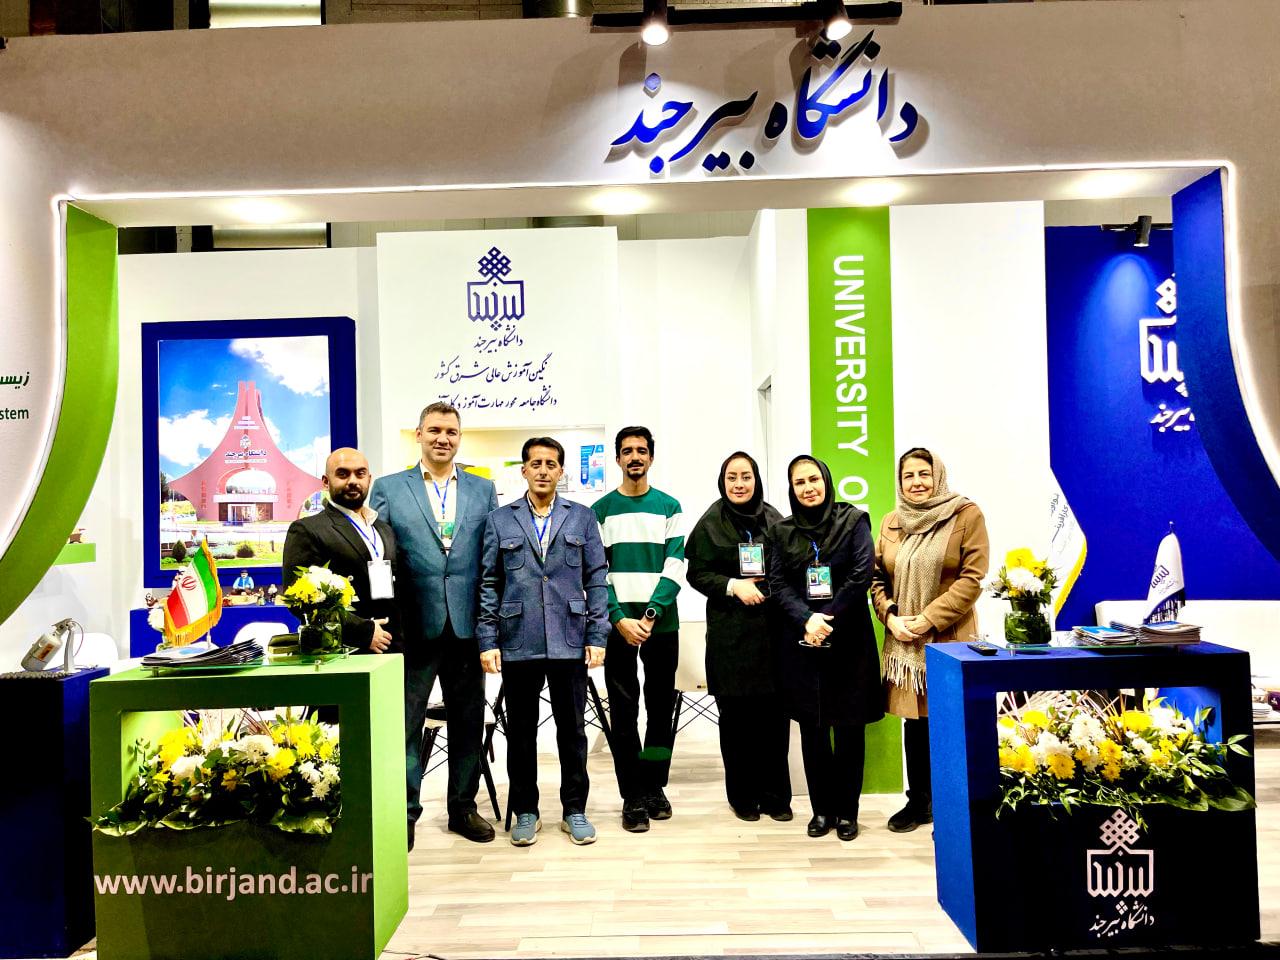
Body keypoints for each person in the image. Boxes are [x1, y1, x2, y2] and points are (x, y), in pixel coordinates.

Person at [368, 402, 499, 849]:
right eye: (435, 430)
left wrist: (490, 625)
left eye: (451, 432)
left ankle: (463, 808)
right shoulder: (388, 488)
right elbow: (379, 559)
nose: (443, 438)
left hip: (467, 628)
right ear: (419, 434)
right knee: (406, 725)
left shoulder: (483, 489)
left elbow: (490, 561)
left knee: (468, 722)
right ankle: (404, 812)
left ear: (459, 438)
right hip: (412, 628)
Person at [477, 437, 610, 846]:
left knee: (573, 731)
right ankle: (526, 810)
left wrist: (598, 633)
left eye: (551, 464)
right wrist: (487, 638)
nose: (543, 470)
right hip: (519, 639)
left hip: (570, 638)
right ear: (523, 470)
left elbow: (596, 579)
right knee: (521, 732)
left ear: (561, 471)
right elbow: (489, 582)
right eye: (535, 463)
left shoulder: (582, 517)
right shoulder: (500, 520)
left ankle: (574, 810)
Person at [871, 447, 989, 833]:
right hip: (905, 641)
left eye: (924, 473)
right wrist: (891, 617)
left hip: (949, 639)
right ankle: (920, 801)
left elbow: (972, 579)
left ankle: (953, 804)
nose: (917, 482)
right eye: (909, 475)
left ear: (937, 475)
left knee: (949, 721)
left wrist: (927, 619)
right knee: (916, 723)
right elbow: (877, 578)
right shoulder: (892, 521)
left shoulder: (965, 514)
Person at [767, 455, 882, 841]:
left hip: (849, 639)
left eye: (813, 479)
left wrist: (825, 617)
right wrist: (806, 619)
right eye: (799, 483)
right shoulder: (782, 531)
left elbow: (861, 574)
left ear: (826, 481)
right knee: (812, 729)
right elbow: (777, 583)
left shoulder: (853, 520)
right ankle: (821, 810)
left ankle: (847, 812)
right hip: (802, 643)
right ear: (791, 489)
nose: (808, 488)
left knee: (849, 730)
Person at [686, 451, 792, 822]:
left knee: (774, 720)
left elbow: (789, 568)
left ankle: (776, 796)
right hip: (730, 637)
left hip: (771, 636)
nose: (739, 484)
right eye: (732, 477)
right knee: (736, 723)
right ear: (723, 481)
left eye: (746, 476)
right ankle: (743, 797)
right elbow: (697, 573)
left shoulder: (774, 518)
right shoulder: (710, 522)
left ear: (756, 480)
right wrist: (733, 585)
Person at [591, 425, 686, 833]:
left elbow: (676, 564)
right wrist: (618, 617)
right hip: (618, 627)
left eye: (641, 450)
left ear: (651, 457)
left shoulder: (669, 507)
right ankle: (632, 793)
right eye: (627, 451)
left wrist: (649, 614)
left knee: (661, 709)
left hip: (660, 625)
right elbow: (596, 573)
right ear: (617, 458)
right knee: (624, 711)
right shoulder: (600, 511)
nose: (635, 457)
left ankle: (654, 786)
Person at [281, 448, 398, 656]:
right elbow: (298, 599)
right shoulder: (307, 529)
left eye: (360, 474)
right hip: (344, 650)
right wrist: (363, 632)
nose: (353, 481)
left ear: (369, 479)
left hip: (392, 645)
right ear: (326, 482)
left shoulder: (383, 529)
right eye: (343, 474)